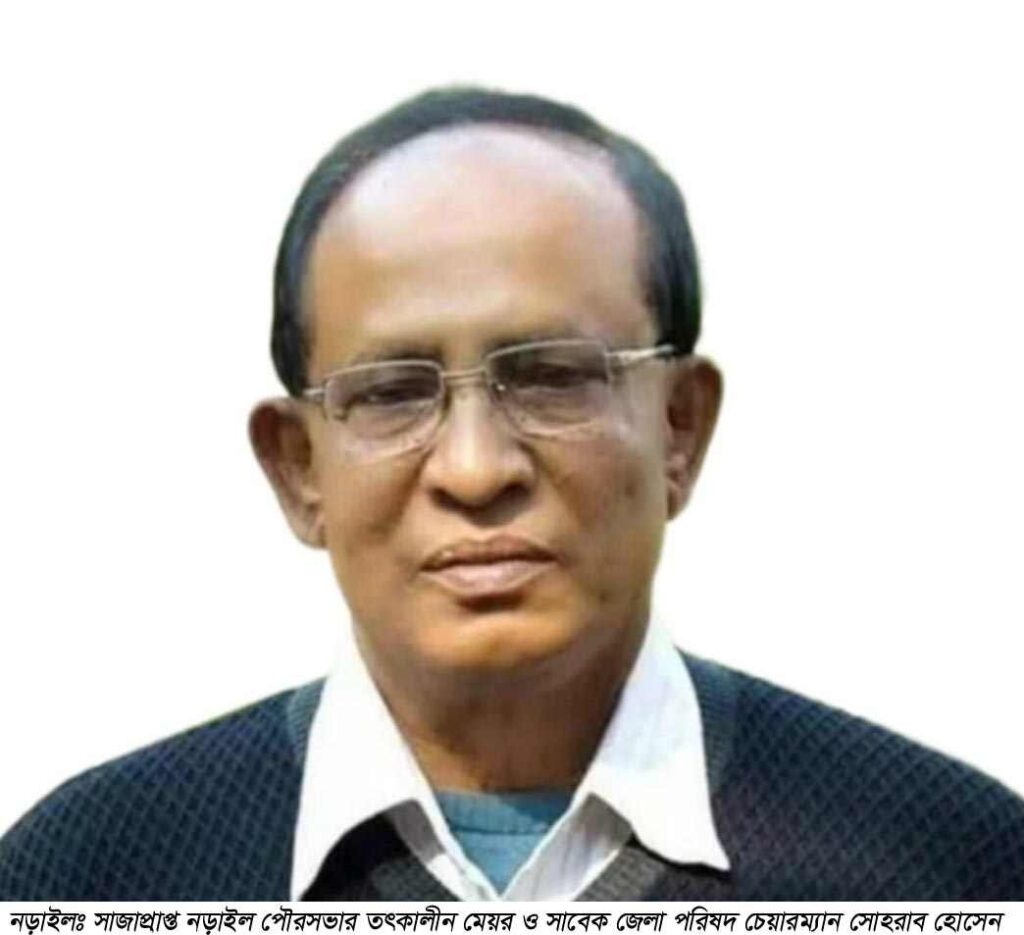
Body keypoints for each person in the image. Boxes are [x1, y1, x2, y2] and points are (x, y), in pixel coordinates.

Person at [1, 87, 1022, 902]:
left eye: (552, 377)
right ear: (298, 467)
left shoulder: (949, 864)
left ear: (679, 427)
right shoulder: (90, 873)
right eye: (392, 393)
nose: (475, 468)